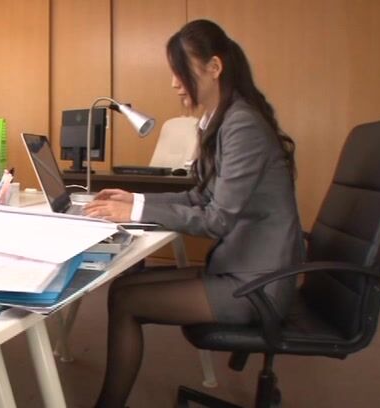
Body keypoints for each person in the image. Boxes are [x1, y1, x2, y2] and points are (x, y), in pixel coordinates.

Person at [83, 19, 305, 408]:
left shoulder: (241, 125)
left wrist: (134, 208)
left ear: (214, 67)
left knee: (126, 303)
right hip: (242, 269)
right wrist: (134, 199)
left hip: (258, 285)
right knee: (122, 288)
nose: (174, 83)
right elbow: (199, 196)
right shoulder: (224, 120)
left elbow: (216, 218)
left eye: (180, 70)